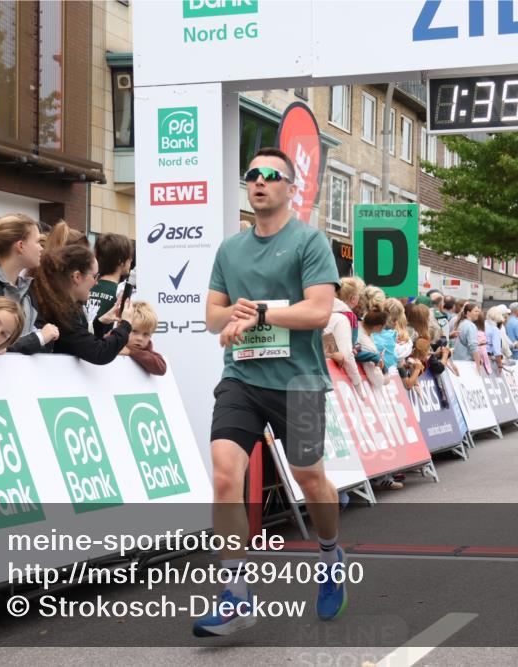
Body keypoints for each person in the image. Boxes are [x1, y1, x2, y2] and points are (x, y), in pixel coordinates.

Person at [197, 147, 345, 637]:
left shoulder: (309, 241)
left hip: (298, 380)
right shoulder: (230, 249)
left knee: (310, 478)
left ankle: (331, 556)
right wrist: (235, 317)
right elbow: (212, 316)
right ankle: (236, 594)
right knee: (224, 475)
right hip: (241, 377)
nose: (258, 181)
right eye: (252, 175)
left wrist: (260, 313)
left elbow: (319, 311)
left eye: (269, 175)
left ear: (290, 188)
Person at [0, 214, 59, 354]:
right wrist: (38, 338)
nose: (41, 248)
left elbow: (48, 339)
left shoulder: (27, 291)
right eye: (37, 242)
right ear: (21, 246)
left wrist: (41, 338)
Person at [29, 244, 132, 364]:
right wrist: (125, 325)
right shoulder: (59, 314)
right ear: (77, 277)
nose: (97, 282)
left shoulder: (58, 305)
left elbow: (82, 339)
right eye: (95, 276)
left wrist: (100, 322)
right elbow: (99, 352)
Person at [85, 233, 133, 338]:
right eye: (129, 257)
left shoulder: (83, 288)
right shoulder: (122, 294)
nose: (131, 260)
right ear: (121, 261)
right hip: (106, 344)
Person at [323, 276, 364, 391]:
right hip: (337, 369)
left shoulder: (323, 309)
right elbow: (349, 352)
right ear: (353, 299)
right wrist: (358, 384)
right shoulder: (350, 317)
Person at [119, 301, 167, 375]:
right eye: (134, 331)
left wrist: (130, 352)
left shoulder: (148, 352)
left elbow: (161, 369)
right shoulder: (108, 342)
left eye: (146, 334)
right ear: (122, 327)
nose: (140, 338)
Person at [451, 301, 483, 373]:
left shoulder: (461, 323)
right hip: (467, 363)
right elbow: (473, 346)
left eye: (478, 311)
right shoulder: (470, 325)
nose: (478, 313)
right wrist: (478, 364)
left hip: (457, 360)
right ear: (468, 313)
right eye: (476, 311)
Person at [484, 306, 505, 372]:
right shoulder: (495, 329)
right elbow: (497, 350)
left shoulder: (483, 324)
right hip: (487, 356)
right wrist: (500, 365)